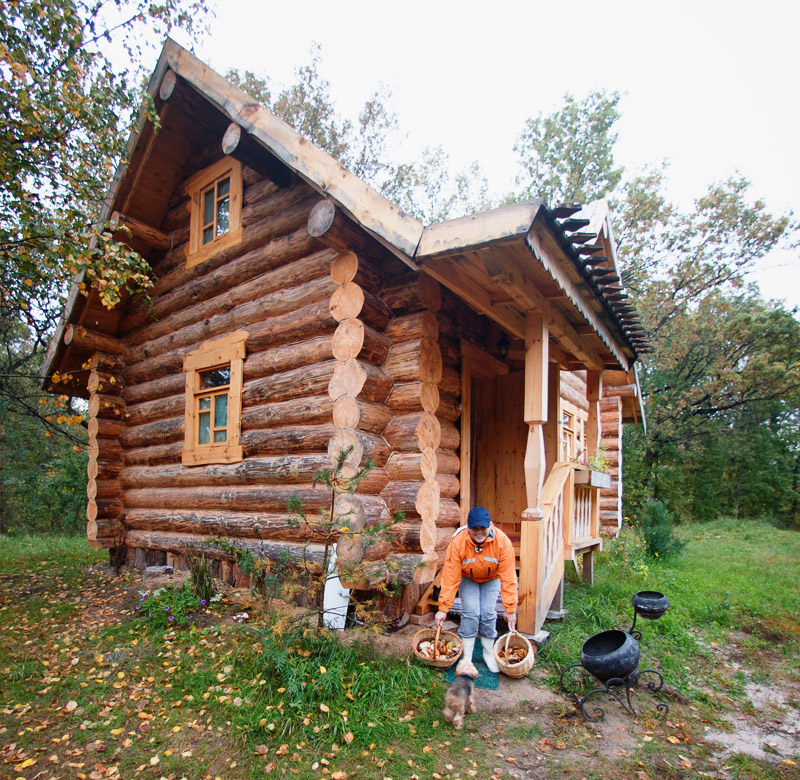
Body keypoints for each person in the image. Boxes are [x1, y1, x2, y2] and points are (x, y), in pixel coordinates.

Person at [435, 506, 518, 673]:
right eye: (475, 529)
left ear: (489, 526)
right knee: (471, 612)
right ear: (468, 528)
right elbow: (450, 576)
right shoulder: (458, 542)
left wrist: (510, 608)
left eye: (483, 528)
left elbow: (509, 577)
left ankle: (488, 654)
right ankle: (467, 657)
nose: (479, 532)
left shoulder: (502, 542)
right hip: (468, 578)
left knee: (488, 612)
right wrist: (443, 608)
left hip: (491, 579)